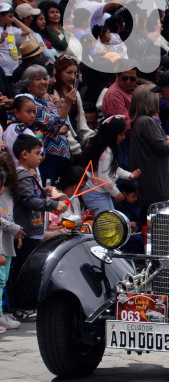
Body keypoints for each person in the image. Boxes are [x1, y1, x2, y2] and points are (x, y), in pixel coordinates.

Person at [11, 134, 68, 320]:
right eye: (37, 153)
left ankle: (25, 306)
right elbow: (28, 200)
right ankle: (22, 308)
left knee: (29, 271)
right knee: (24, 272)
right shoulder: (22, 173)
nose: (40, 157)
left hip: (32, 230)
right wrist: (53, 205)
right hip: (26, 231)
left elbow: (30, 195)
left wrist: (43, 192)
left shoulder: (28, 174)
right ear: (24, 154)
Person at [17, 65, 73, 184]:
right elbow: (55, 125)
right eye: (38, 79)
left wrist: (58, 127)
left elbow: (65, 125)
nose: (43, 82)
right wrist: (67, 104)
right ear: (28, 84)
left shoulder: (47, 101)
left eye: (44, 78)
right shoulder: (31, 103)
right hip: (48, 156)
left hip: (63, 154)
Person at [130, 81, 169, 218]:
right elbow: (162, 147)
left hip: (152, 181)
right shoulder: (146, 121)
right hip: (157, 184)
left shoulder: (142, 121)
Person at [81, 115, 141, 213]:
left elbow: (114, 168)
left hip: (99, 191)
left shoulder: (106, 148)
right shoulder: (107, 151)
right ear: (112, 134)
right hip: (95, 192)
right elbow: (103, 177)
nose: (124, 137)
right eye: (121, 134)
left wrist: (130, 175)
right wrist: (116, 193)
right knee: (105, 223)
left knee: (109, 220)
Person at [50, 56, 92, 159]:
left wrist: (89, 137)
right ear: (59, 72)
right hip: (64, 143)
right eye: (69, 73)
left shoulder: (75, 92)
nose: (72, 77)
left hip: (76, 138)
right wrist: (75, 147)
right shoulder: (52, 94)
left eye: (75, 73)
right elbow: (60, 122)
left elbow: (81, 119)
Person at [0, 156, 25, 330]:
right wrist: (14, 228)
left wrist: (16, 233)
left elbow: (8, 215)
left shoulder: (7, 192)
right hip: (2, 241)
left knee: (3, 279)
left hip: (7, 240)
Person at [3, 95, 38, 167]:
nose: (32, 115)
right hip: (27, 170)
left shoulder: (7, 129)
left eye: (34, 112)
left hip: (14, 170)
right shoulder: (25, 131)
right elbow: (39, 153)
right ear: (16, 112)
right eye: (28, 112)